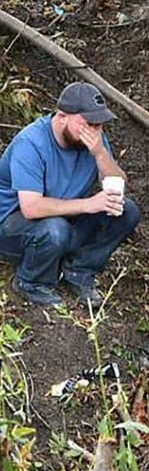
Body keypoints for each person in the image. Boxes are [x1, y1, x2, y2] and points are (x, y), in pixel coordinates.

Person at [0, 82, 140, 306]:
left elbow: (118, 182)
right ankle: (32, 281)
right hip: (12, 227)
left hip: (64, 220)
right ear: (62, 116)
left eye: (99, 125)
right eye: (88, 123)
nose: (93, 131)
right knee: (55, 228)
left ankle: (79, 271)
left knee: (126, 210)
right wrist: (89, 204)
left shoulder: (94, 141)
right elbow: (31, 207)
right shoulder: (31, 143)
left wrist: (101, 154)